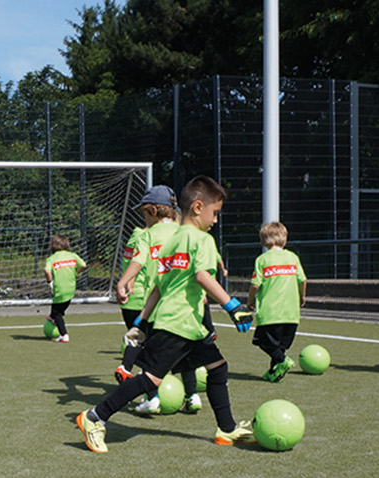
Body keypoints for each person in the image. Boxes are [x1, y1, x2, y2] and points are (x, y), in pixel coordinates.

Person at [75, 175, 258, 454]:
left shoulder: (171, 243)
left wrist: (140, 322)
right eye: (215, 213)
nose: (216, 220)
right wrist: (233, 306)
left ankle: (227, 429)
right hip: (179, 325)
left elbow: (158, 289)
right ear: (198, 207)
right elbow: (201, 276)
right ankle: (94, 417)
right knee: (150, 380)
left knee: (218, 367)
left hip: (185, 325)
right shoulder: (202, 240)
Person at [113, 185, 179, 382]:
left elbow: (138, 261)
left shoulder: (147, 235)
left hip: (153, 304)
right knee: (185, 352)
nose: (144, 219)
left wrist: (122, 282)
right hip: (180, 304)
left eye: (144, 213)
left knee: (146, 343)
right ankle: (192, 395)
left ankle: (149, 392)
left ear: (153, 210)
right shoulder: (184, 233)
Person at [247, 222, 307, 382]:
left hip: (270, 313)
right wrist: (302, 297)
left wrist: (249, 301)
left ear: (263, 241)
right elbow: (302, 280)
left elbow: (255, 284)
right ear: (284, 239)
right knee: (280, 346)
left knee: (263, 342)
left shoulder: (262, 260)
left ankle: (281, 361)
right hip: (291, 314)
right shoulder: (292, 258)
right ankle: (274, 372)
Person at [43, 234, 86, 343]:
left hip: (59, 289)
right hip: (71, 288)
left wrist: (50, 283)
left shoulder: (51, 258)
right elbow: (84, 265)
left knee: (57, 312)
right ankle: (52, 317)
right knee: (59, 307)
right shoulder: (73, 255)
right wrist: (77, 271)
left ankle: (64, 334)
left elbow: (47, 271)